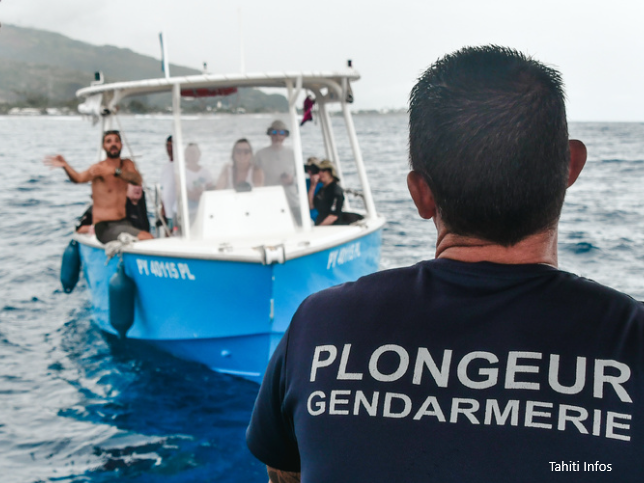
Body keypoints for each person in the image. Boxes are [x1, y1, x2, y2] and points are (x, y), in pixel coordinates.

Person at [246, 46, 644, 482]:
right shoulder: (631, 339)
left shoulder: (318, 326)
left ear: (421, 194)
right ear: (570, 165)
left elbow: (285, 474)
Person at [45, 130, 153, 244]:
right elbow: (78, 178)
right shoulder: (98, 169)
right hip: (104, 225)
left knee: (145, 235)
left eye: (116, 141)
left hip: (123, 222)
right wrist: (65, 166)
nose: (113, 144)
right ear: (103, 146)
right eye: (109, 141)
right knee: (147, 238)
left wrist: (115, 171)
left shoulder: (127, 165)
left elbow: (137, 179)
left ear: (121, 145)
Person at [254, 120, 300, 223]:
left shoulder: (293, 153)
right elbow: (255, 178)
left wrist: (291, 180)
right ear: (269, 134)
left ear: (285, 135)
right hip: (270, 200)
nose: (278, 136)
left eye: (281, 133)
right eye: (274, 132)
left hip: (291, 199)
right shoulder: (260, 154)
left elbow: (300, 177)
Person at [76, 184, 151, 234]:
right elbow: (79, 228)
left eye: (139, 184)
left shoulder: (141, 204)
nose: (137, 187)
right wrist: (92, 229)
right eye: (133, 184)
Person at [183, 142, 214, 221]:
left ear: (199, 154)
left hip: (203, 210)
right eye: (190, 153)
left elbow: (211, 190)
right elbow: (181, 191)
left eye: (195, 153)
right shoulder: (182, 172)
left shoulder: (205, 172)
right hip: (187, 212)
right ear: (185, 155)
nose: (192, 155)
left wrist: (202, 192)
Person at [309, 159, 343, 226]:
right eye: (319, 171)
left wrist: (318, 229)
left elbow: (333, 216)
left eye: (323, 170)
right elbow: (311, 206)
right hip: (320, 225)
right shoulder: (322, 189)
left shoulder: (336, 191)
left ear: (331, 172)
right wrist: (313, 186)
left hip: (331, 228)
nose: (320, 173)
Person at [159, 134, 177, 228]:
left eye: (171, 146)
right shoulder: (165, 167)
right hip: (167, 212)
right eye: (168, 145)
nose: (169, 149)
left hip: (177, 211)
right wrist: (162, 208)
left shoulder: (180, 166)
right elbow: (164, 189)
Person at [304, 157, 323, 221]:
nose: (309, 172)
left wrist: (313, 185)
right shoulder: (304, 183)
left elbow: (311, 206)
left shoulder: (324, 185)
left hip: (318, 218)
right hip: (306, 217)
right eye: (308, 169)